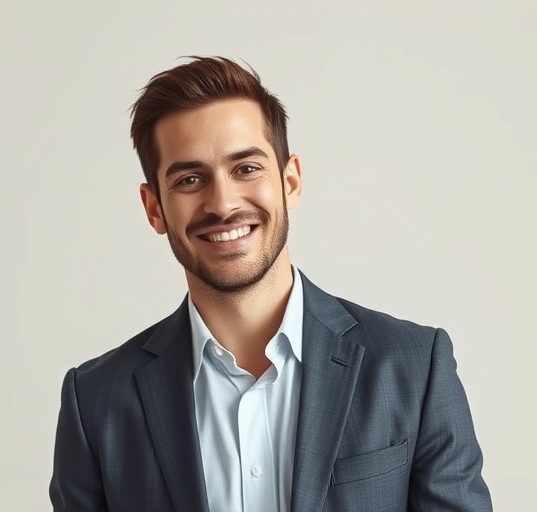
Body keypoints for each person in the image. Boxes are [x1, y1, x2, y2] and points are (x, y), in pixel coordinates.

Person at [50, 56, 492, 512]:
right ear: (154, 209)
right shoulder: (95, 403)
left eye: (246, 169)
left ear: (290, 181)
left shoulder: (414, 368)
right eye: (189, 179)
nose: (222, 203)